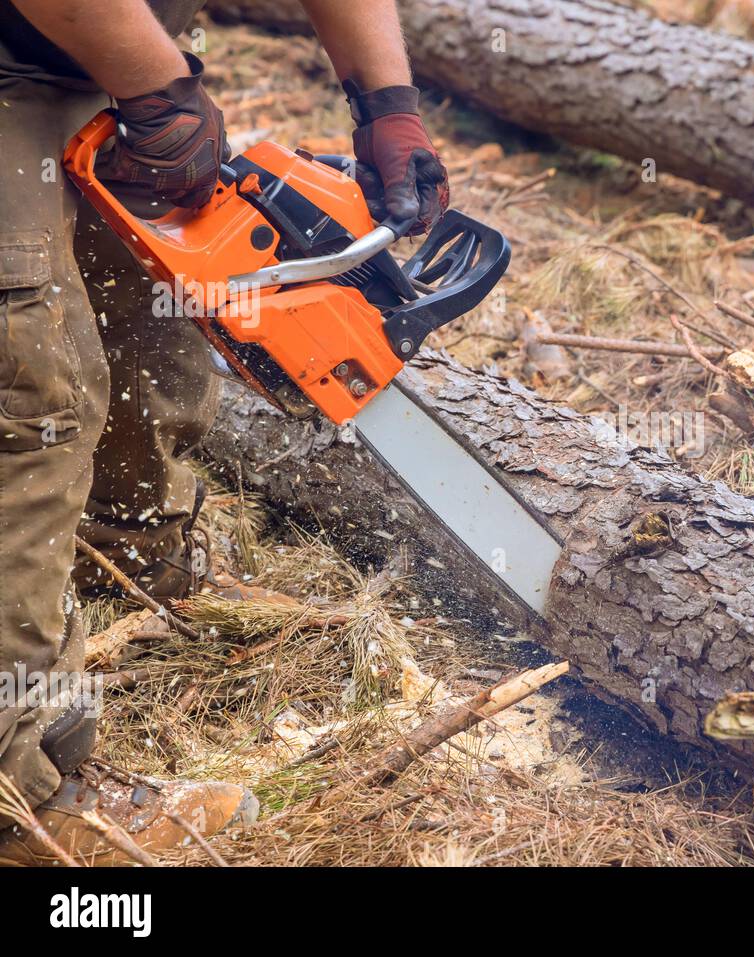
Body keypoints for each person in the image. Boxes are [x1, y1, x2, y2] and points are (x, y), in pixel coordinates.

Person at [0, 0, 449, 865]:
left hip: (93, 57)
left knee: (150, 311)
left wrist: (386, 102)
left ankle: (131, 551)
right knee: (31, 397)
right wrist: (158, 85)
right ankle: (24, 795)